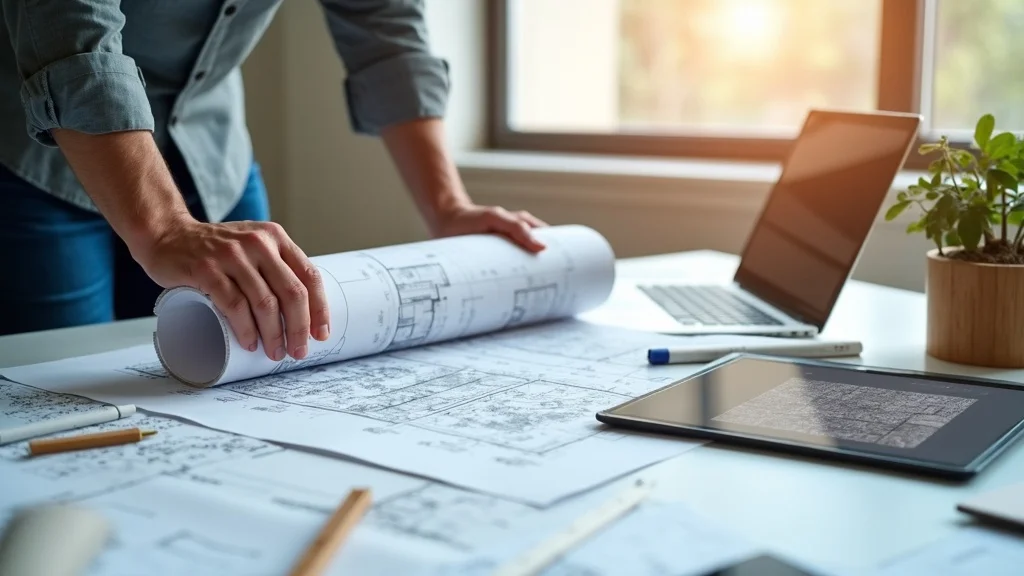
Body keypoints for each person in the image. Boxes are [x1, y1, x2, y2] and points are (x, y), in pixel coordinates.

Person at [0, 1, 546, 361]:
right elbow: (71, 36)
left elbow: (386, 29)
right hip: (36, 155)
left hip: (213, 151)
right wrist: (165, 230)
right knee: (67, 385)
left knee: (246, 369)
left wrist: (448, 207)